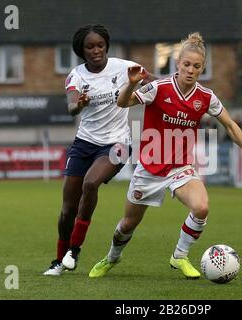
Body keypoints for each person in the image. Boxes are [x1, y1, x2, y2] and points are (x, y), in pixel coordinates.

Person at [88, 32, 242, 279]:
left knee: (201, 207)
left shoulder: (205, 97)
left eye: (196, 66)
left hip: (180, 168)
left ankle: (179, 256)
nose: (190, 70)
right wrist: (130, 83)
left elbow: (230, 125)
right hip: (149, 168)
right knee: (128, 224)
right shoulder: (158, 88)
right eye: (186, 65)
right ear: (177, 65)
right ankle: (111, 258)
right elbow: (122, 103)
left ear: (202, 69)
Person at [43, 24, 155, 276]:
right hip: (84, 144)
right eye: (90, 47)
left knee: (91, 183)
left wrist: (181, 84)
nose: (96, 50)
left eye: (100, 45)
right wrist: (79, 105)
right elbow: (72, 106)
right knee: (67, 209)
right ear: (81, 51)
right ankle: (59, 261)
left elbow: (156, 82)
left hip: (117, 144)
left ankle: (75, 249)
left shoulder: (125, 67)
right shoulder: (76, 76)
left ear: (107, 45)